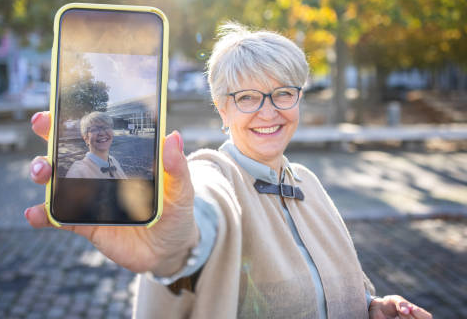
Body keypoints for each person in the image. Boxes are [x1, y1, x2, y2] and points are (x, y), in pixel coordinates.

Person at [26, 23, 433, 319]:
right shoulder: (215, 173)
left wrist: (373, 308)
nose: (268, 111)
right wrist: (175, 239)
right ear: (222, 109)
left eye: (283, 93)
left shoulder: (308, 183)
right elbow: (202, 213)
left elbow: (334, 291)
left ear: (299, 98)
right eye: (247, 97)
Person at [65, 111, 127, 179]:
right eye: (94, 129)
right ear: (86, 138)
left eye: (106, 127)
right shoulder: (78, 172)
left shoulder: (113, 160)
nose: (102, 133)